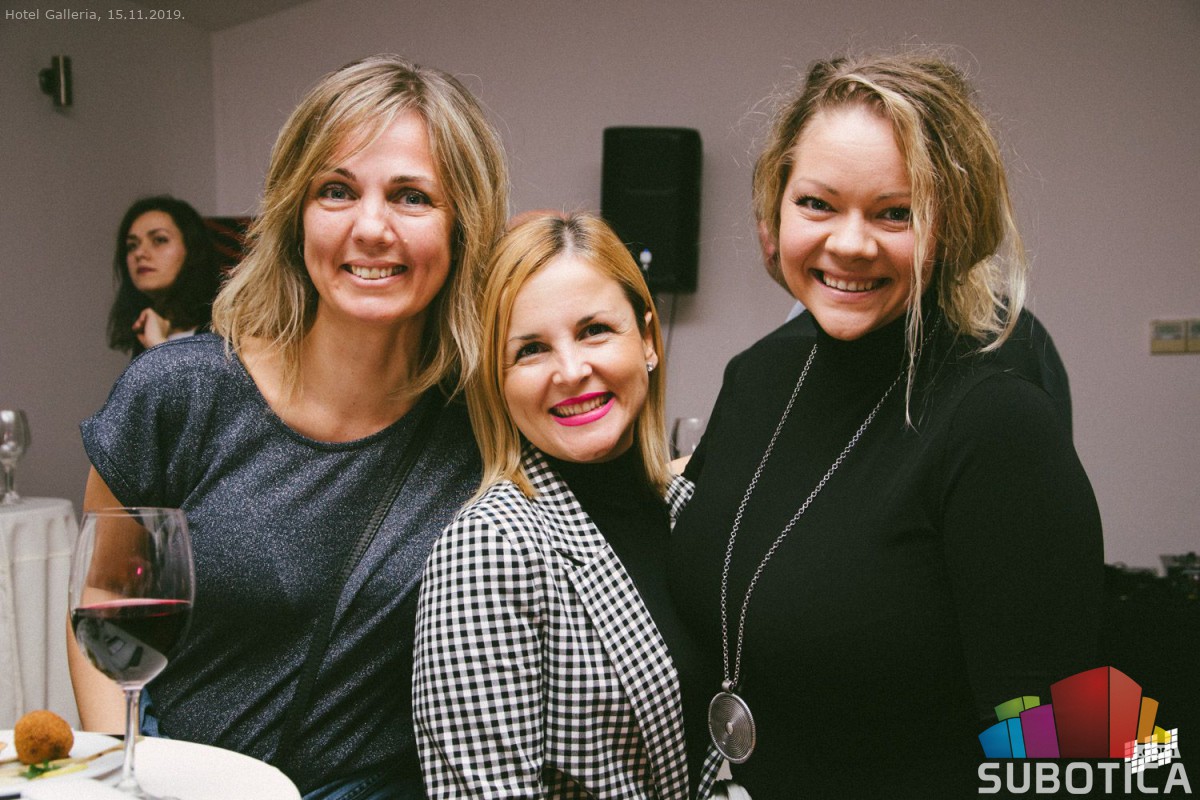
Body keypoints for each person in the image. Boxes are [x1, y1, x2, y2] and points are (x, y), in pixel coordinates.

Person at [71, 54, 509, 799]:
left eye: (411, 196)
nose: (370, 228)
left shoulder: (486, 424)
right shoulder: (180, 393)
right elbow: (103, 606)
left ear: (463, 225)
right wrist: (127, 775)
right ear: (294, 213)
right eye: (336, 190)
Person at [670, 52, 1104, 797]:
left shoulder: (996, 424)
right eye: (817, 203)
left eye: (895, 212)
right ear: (775, 209)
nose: (850, 244)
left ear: (954, 224)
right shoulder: (757, 376)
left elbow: (1050, 743)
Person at [413, 212, 722, 799]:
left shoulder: (694, 511)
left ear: (647, 340)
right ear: (497, 380)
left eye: (594, 330)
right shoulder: (489, 547)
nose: (572, 371)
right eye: (530, 349)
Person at [107, 195, 223, 356]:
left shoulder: (225, 329)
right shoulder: (143, 335)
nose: (139, 253)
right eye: (132, 246)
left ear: (193, 250)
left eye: (159, 240)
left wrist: (159, 346)